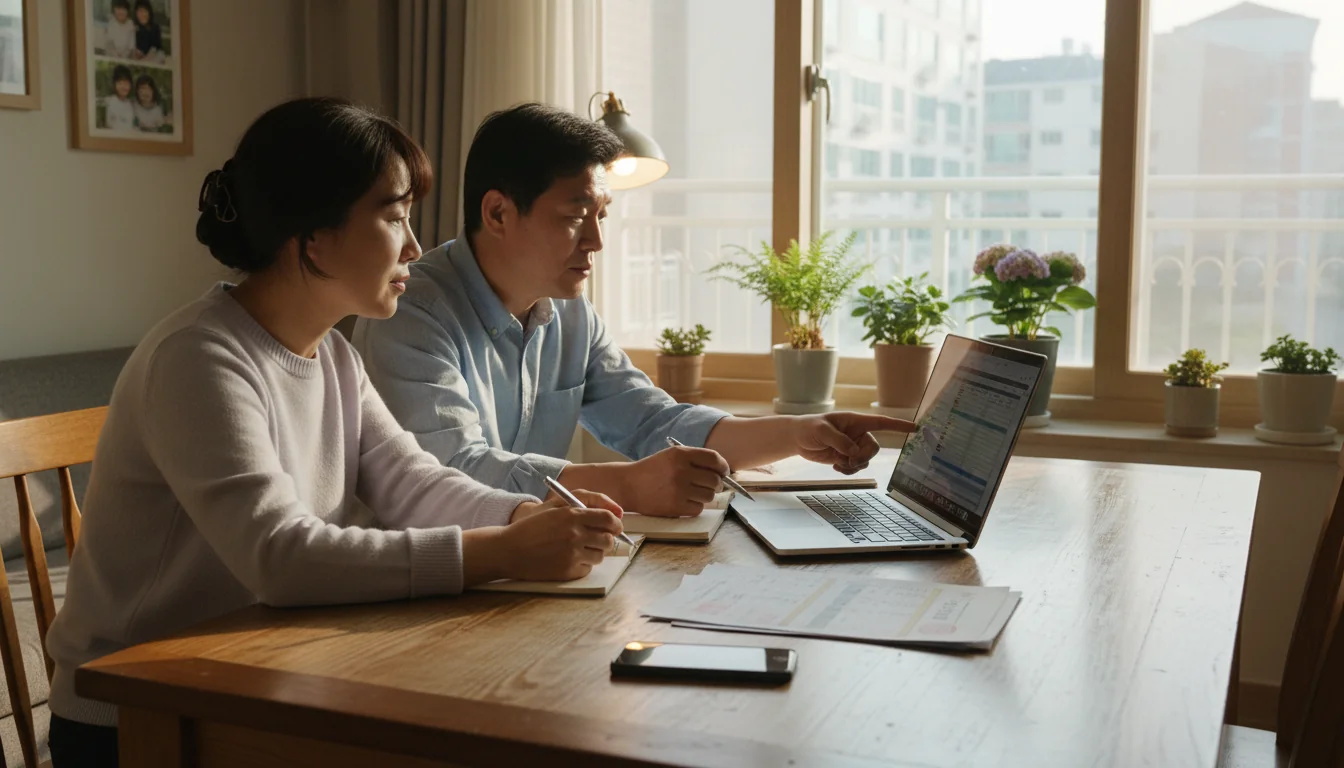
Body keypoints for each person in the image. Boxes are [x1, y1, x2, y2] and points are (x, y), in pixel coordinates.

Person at [44, 97, 625, 768]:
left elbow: (412, 483)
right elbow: (280, 554)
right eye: (393, 217)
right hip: (137, 717)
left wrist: (528, 514)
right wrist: (503, 551)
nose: (413, 245)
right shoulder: (199, 357)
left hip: (256, 671)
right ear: (315, 236)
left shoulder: (334, 356)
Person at [354, 103, 913, 519]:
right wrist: (628, 486)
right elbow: (456, 471)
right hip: (429, 583)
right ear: (498, 212)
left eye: (603, 214)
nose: (596, 241)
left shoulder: (570, 315)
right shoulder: (409, 312)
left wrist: (799, 433)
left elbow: (656, 423)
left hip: (533, 562)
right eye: (576, 215)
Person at [102, 65, 135, 132]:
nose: (123, 87)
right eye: (120, 83)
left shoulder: (132, 104)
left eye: (126, 83)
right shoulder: (108, 101)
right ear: (114, 84)